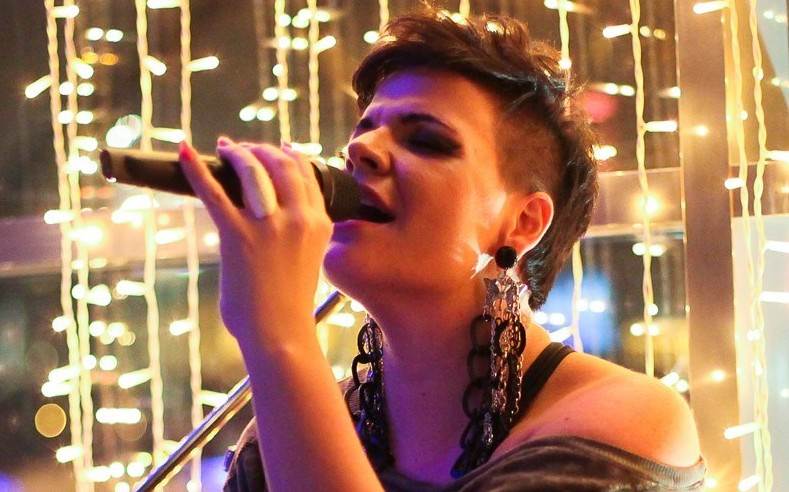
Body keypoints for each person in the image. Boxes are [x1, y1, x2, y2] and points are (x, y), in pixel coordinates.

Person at [178, 8, 705, 492]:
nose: (360, 150)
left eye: (426, 141)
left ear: (523, 223)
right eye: (362, 134)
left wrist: (281, 335)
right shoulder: (280, 431)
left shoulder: (630, 423)